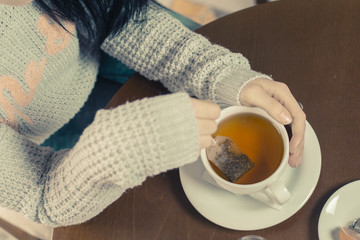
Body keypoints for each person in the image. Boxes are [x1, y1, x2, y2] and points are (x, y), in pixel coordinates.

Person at [0, 0, 305, 233]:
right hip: (48, 143)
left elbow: (122, 17)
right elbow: (41, 195)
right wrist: (114, 151)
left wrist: (217, 73)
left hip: (95, 41)